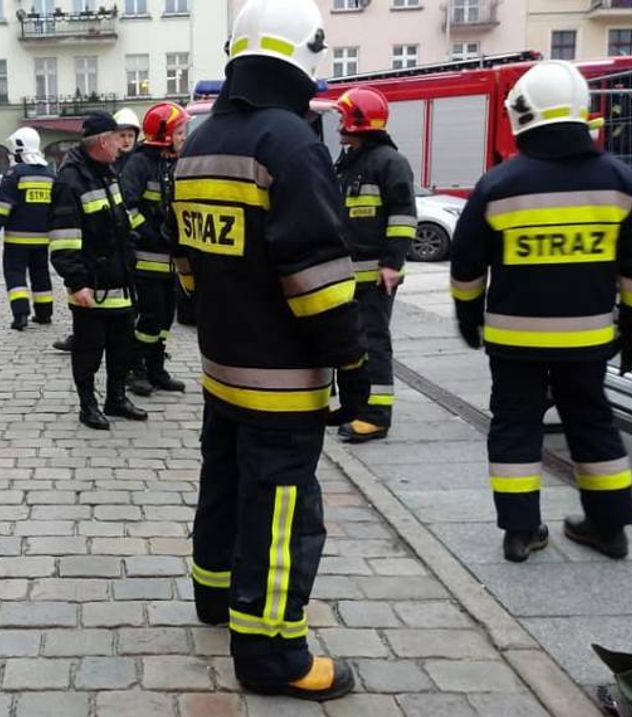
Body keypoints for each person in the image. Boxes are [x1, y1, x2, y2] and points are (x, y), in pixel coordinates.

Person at [177, 0, 368, 700]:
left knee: (223, 483)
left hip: (223, 365)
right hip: (283, 377)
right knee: (284, 511)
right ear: (305, 54)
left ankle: (215, 596)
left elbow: (187, 265)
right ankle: (271, 654)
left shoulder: (199, 141)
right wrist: (353, 363)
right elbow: (316, 271)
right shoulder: (289, 141)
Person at [451, 60, 632, 562]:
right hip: (587, 340)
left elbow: (467, 262)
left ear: (523, 115)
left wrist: (468, 316)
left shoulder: (498, 185)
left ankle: (520, 532)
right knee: (592, 423)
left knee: (514, 426)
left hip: (514, 340)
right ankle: (610, 529)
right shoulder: (620, 183)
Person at [50, 112, 148, 430]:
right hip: (90, 285)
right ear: (103, 141)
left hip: (120, 280)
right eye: (118, 138)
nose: (123, 145)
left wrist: (132, 248)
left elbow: (119, 220)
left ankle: (116, 399)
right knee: (88, 352)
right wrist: (77, 284)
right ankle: (87, 405)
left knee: (122, 348)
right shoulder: (69, 181)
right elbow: (63, 240)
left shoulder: (108, 173)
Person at [330, 87, 417, 443]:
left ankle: (377, 415)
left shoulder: (388, 163)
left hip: (375, 275)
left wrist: (392, 263)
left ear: (357, 121)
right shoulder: (349, 162)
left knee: (373, 344)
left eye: (341, 118)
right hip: (346, 274)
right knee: (348, 343)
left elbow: (403, 217)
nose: (337, 124)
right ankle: (353, 406)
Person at [120, 101, 189, 397]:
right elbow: (128, 207)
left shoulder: (173, 162)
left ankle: (156, 368)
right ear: (165, 133)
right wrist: (150, 234)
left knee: (164, 320)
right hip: (147, 257)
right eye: (180, 131)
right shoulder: (140, 163)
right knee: (149, 316)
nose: (184, 137)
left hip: (171, 258)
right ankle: (135, 370)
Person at [0, 127, 56, 330]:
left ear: (19, 148)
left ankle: (21, 315)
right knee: (41, 275)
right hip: (43, 239)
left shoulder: (15, 174)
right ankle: (44, 314)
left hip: (17, 239)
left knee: (15, 274)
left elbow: (3, 205)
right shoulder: (49, 174)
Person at [112, 108, 141, 174]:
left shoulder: (141, 160)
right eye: (122, 136)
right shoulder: (106, 159)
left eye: (130, 136)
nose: (126, 141)